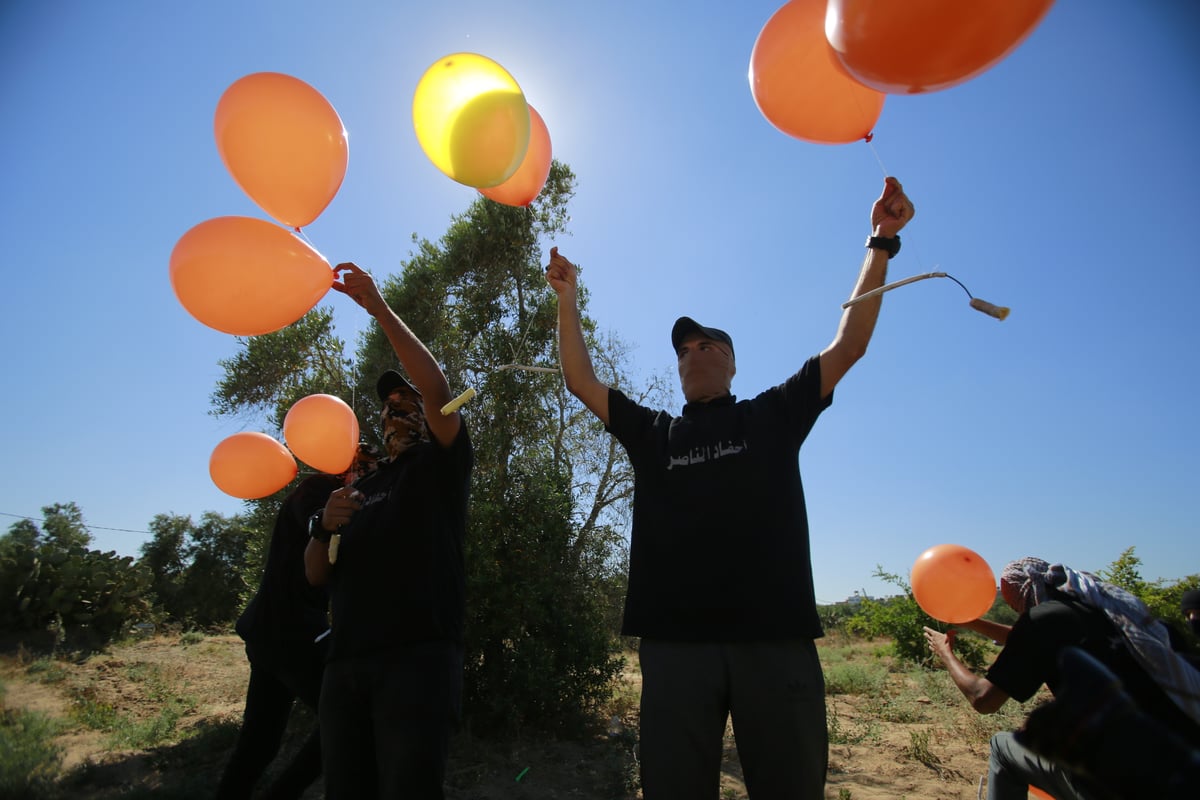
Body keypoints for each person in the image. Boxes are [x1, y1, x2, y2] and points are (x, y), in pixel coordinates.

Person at [545, 177, 915, 798]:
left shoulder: (771, 416)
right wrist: (566, 298)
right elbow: (580, 379)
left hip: (774, 639)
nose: (692, 352)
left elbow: (848, 344)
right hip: (676, 646)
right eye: (683, 349)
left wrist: (880, 241)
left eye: (706, 343)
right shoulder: (654, 434)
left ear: (731, 360)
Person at [304, 262, 473, 800]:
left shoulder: (441, 466)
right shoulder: (359, 485)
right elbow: (316, 574)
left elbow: (438, 386)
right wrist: (320, 525)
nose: (394, 409)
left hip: (416, 664)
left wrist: (378, 307)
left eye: (406, 402)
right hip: (345, 668)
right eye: (387, 405)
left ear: (429, 416)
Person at [923, 556, 1200, 800]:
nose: (1011, 606)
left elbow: (983, 699)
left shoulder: (1042, 620)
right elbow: (1027, 641)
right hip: (1180, 764)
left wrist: (945, 653)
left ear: (1025, 591)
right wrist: (970, 621)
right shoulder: (1098, 611)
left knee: (1001, 746)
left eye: (1010, 599)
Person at [215, 472, 343, 800]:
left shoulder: (338, 496)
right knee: (345, 718)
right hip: (292, 632)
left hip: (270, 631)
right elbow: (315, 519)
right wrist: (324, 521)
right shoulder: (319, 489)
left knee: (259, 742)